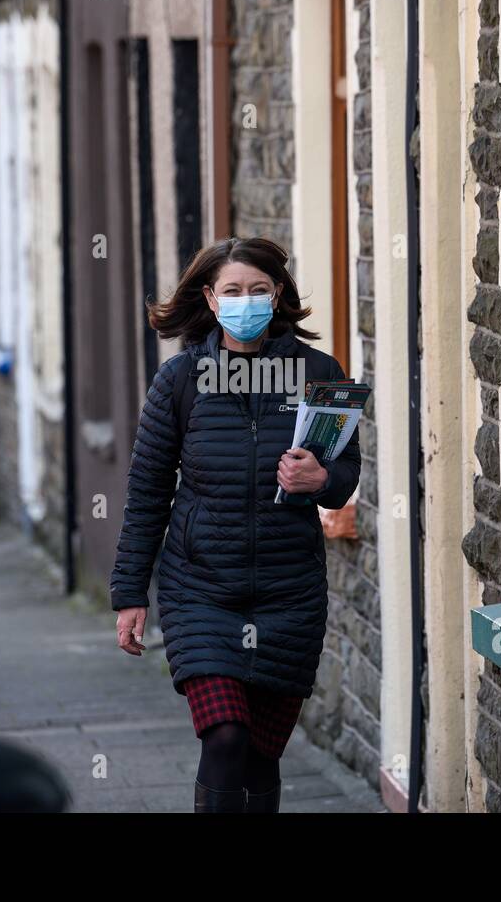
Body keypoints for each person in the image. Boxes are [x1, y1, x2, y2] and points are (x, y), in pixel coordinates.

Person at [109, 236, 361, 813]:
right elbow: (148, 492)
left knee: (262, 753)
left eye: (258, 290)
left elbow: (346, 473)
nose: (245, 300)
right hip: (200, 589)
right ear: (211, 297)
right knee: (225, 736)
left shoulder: (318, 373)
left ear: (276, 297)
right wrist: (129, 594)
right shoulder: (180, 380)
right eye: (232, 291)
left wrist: (318, 480)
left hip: (288, 592)